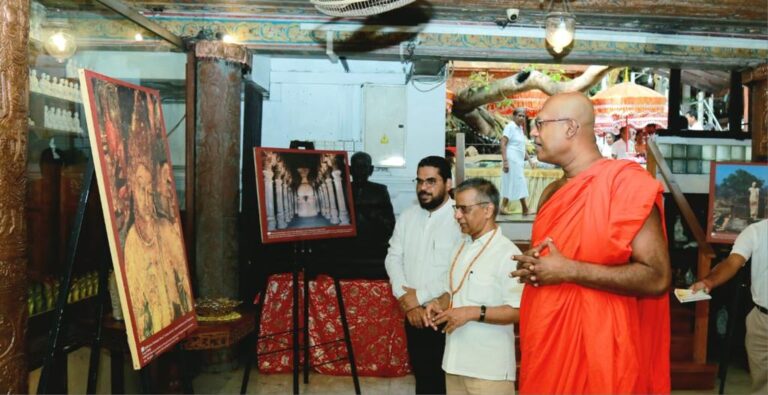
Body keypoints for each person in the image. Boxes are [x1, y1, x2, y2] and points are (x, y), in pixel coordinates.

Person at [512, 92, 672, 394]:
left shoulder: (624, 185)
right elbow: (556, 261)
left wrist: (568, 270)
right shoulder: (552, 192)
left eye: (540, 124)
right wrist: (537, 267)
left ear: (570, 128)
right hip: (547, 340)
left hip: (601, 349)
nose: (532, 132)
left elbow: (657, 277)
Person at [422, 178, 523, 395]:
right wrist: (437, 303)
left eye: (464, 209)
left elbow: (520, 311)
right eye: (456, 208)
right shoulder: (461, 245)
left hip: (489, 370)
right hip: (454, 363)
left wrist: (472, 313)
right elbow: (454, 291)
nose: (457, 216)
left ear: (488, 210)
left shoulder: (508, 254)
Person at [385, 155, 463, 394]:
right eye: (419, 182)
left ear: (448, 184)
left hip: (445, 313)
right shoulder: (408, 216)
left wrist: (417, 298)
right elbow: (393, 257)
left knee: (446, 383)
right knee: (423, 379)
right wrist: (407, 301)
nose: (423, 188)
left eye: (431, 182)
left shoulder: (459, 218)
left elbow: (457, 268)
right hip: (414, 315)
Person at [691, 219, 767, 395]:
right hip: (761, 322)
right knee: (762, 387)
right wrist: (709, 281)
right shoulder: (756, 231)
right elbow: (732, 263)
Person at [348, 151, 396, 258]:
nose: (360, 171)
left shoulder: (380, 191)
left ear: (371, 170)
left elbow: (390, 224)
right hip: (347, 246)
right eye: (357, 167)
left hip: (374, 246)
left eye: (364, 167)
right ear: (350, 169)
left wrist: (374, 215)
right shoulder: (342, 190)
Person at [500, 108, 535, 215]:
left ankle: (503, 207)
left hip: (518, 161)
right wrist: (505, 161)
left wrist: (529, 160)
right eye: (519, 115)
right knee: (520, 182)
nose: (521, 118)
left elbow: (521, 148)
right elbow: (503, 143)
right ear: (513, 116)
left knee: (513, 182)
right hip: (511, 159)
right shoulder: (510, 126)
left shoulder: (520, 129)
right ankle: (525, 209)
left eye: (523, 116)